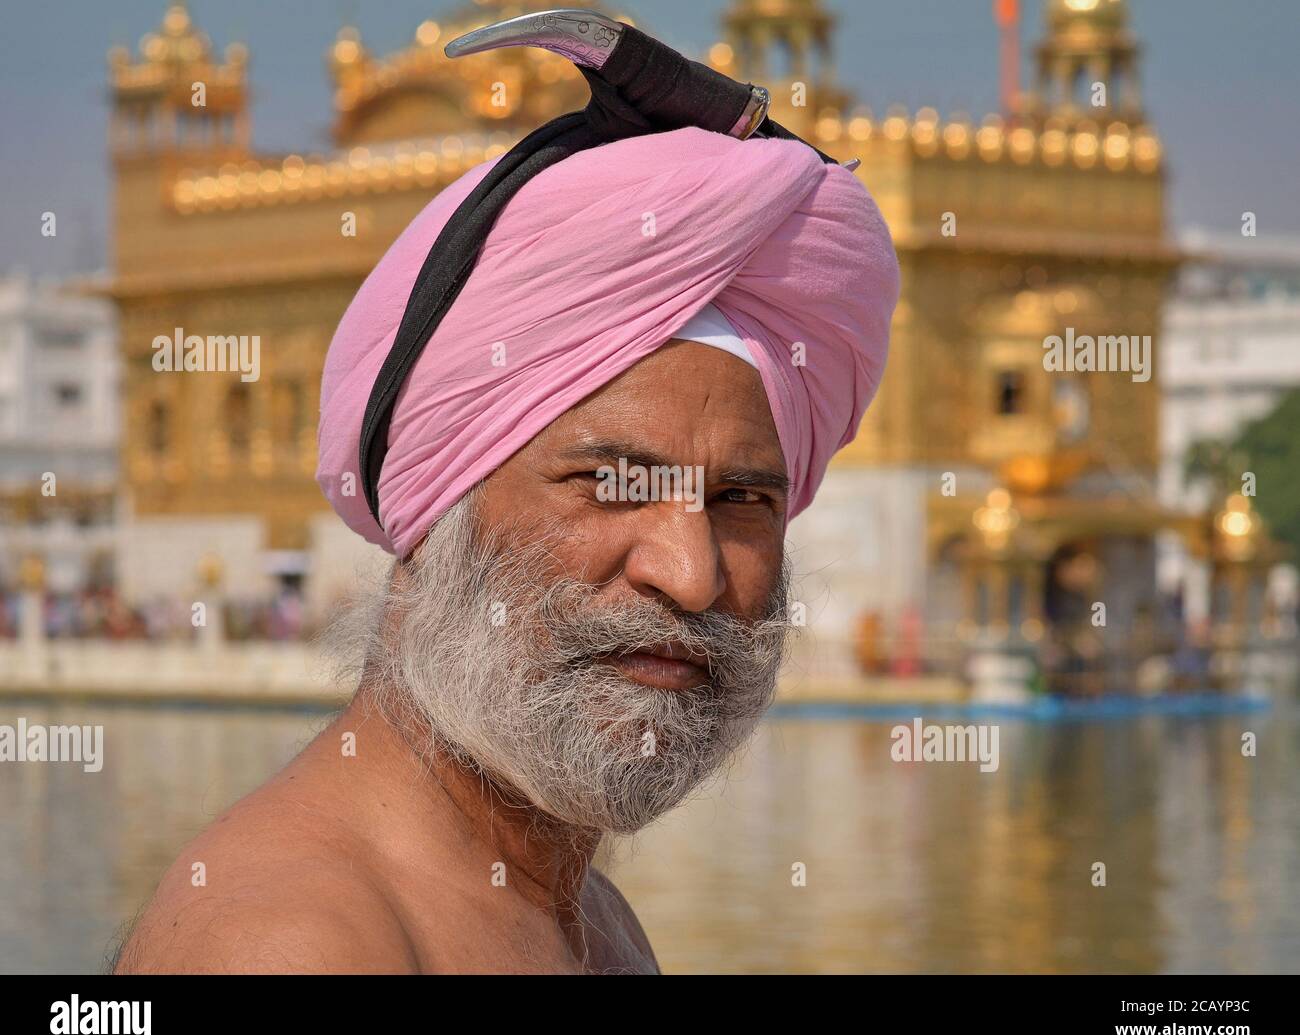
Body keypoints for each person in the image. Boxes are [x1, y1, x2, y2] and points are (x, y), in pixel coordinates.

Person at [115, 11, 897, 974]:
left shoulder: (588, 921)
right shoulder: (304, 946)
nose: (692, 575)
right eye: (610, 484)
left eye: (742, 500)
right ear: (434, 510)